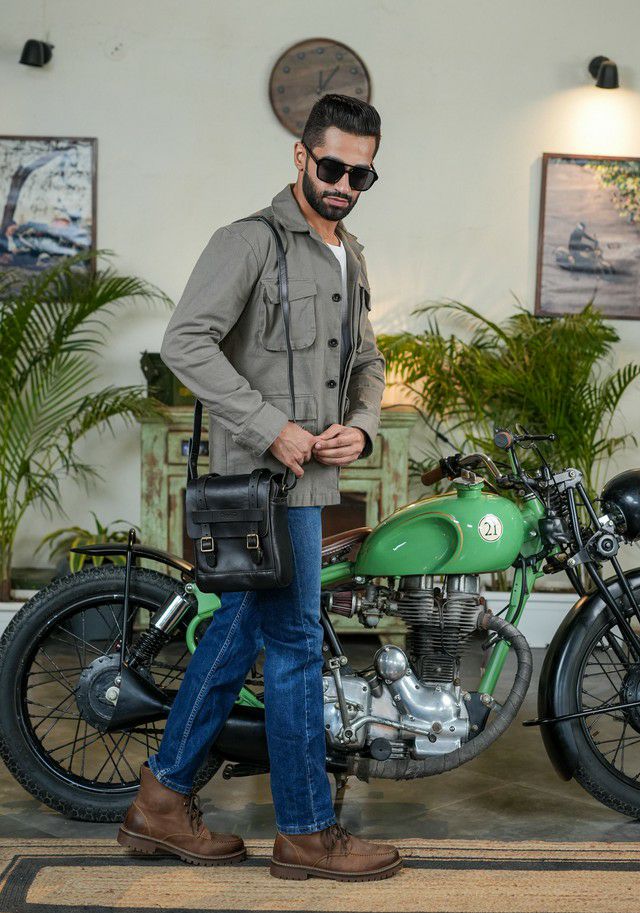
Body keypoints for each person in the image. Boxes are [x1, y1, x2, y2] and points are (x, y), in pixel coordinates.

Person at [116, 94, 402, 882]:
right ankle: (305, 830)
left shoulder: (351, 255)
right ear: (301, 156)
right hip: (259, 486)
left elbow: (368, 361)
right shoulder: (246, 242)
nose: (344, 184)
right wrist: (270, 424)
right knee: (294, 648)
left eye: (361, 174)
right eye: (333, 166)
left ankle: (161, 800)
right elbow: (186, 342)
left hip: (311, 485)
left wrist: (361, 427)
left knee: (239, 636)